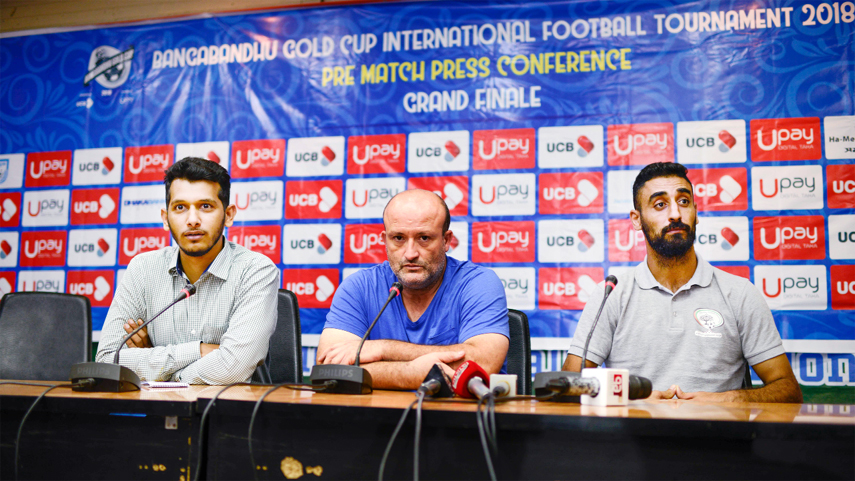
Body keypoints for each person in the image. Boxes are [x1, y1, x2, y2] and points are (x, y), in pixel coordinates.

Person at [563, 162, 802, 403]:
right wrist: (631, 400)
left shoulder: (739, 293)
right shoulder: (612, 294)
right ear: (636, 219)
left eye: (684, 201)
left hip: (718, 436)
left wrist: (730, 400)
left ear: (696, 212)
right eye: (660, 204)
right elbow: (567, 387)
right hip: (634, 436)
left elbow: (789, 391)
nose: (675, 214)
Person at [95, 157, 279, 384]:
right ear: (166, 218)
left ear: (229, 215)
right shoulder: (143, 269)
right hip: (160, 415)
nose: (192, 220)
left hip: (232, 415)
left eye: (206, 206)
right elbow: (107, 360)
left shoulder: (255, 270)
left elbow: (234, 366)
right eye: (180, 207)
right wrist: (200, 351)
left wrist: (161, 371)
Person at [317, 189, 509, 390]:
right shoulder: (359, 287)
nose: (410, 254)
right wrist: (408, 373)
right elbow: (328, 370)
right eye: (398, 238)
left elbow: (482, 365)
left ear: (446, 240)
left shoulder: (478, 283)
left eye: (424, 238)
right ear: (384, 240)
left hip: (459, 419)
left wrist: (382, 349)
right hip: (377, 418)